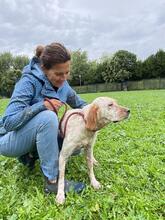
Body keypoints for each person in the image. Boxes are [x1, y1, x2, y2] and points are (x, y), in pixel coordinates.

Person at [0, 42, 87, 194]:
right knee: (47, 117)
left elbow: (81, 105)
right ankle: (52, 182)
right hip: (8, 139)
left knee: (74, 147)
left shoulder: (64, 85)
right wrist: (42, 106)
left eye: (67, 73)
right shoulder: (28, 81)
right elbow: (8, 122)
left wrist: (101, 110)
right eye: (59, 74)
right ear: (44, 69)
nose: (64, 78)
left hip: (33, 133)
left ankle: (30, 155)